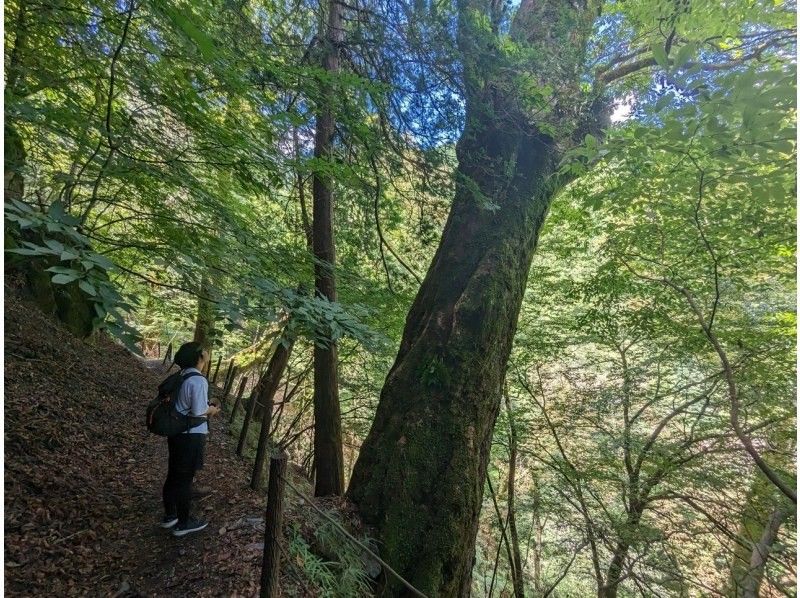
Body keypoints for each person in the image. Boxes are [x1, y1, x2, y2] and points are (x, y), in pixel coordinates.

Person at [159, 341, 221, 536]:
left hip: (177, 433)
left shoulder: (182, 375)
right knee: (185, 479)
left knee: (174, 474)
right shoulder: (199, 380)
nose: (208, 352)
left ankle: (171, 516)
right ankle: (184, 523)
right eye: (205, 350)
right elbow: (198, 411)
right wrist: (211, 410)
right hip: (191, 436)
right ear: (199, 356)